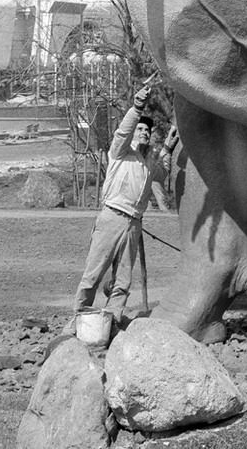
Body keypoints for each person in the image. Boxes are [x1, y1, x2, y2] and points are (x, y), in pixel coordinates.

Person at [73, 81, 179, 323]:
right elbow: (122, 131)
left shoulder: (148, 160)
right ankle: (78, 321)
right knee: (93, 275)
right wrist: (137, 108)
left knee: (122, 281)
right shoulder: (120, 151)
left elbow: (162, 173)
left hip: (133, 224)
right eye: (140, 129)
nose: (143, 133)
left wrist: (168, 149)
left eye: (147, 131)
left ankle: (110, 322)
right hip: (112, 217)